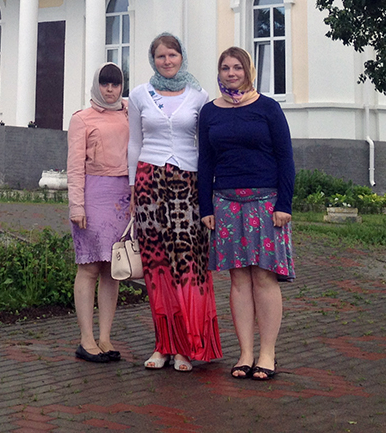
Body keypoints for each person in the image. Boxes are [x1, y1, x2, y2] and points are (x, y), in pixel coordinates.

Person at [197, 46, 295, 382]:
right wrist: (205, 208)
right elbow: (205, 163)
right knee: (238, 280)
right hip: (225, 203)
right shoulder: (210, 112)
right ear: (219, 72)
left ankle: (267, 353)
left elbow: (286, 159)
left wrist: (285, 204)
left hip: (266, 203)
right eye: (225, 68)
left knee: (264, 277)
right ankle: (245, 354)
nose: (231, 73)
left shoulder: (267, 108)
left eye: (237, 67)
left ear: (248, 70)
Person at [127, 33, 222, 371]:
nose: (167, 61)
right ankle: (163, 345)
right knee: (157, 268)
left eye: (172, 55)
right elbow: (134, 145)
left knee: (189, 265)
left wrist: (208, 192)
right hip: (149, 182)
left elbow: (206, 147)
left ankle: (187, 346)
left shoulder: (200, 96)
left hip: (188, 184)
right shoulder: (139, 95)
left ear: (182, 57)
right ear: (152, 60)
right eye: (161, 56)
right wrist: (132, 191)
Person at [67, 62, 130, 363]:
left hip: (124, 198)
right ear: (96, 85)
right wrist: (76, 205)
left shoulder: (130, 113)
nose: (109, 89)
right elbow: (74, 167)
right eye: (104, 83)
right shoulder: (82, 119)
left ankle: (105, 337)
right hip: (93, 197)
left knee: (112, 269)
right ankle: (86, 338)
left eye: (115, 84)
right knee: (89, 267)